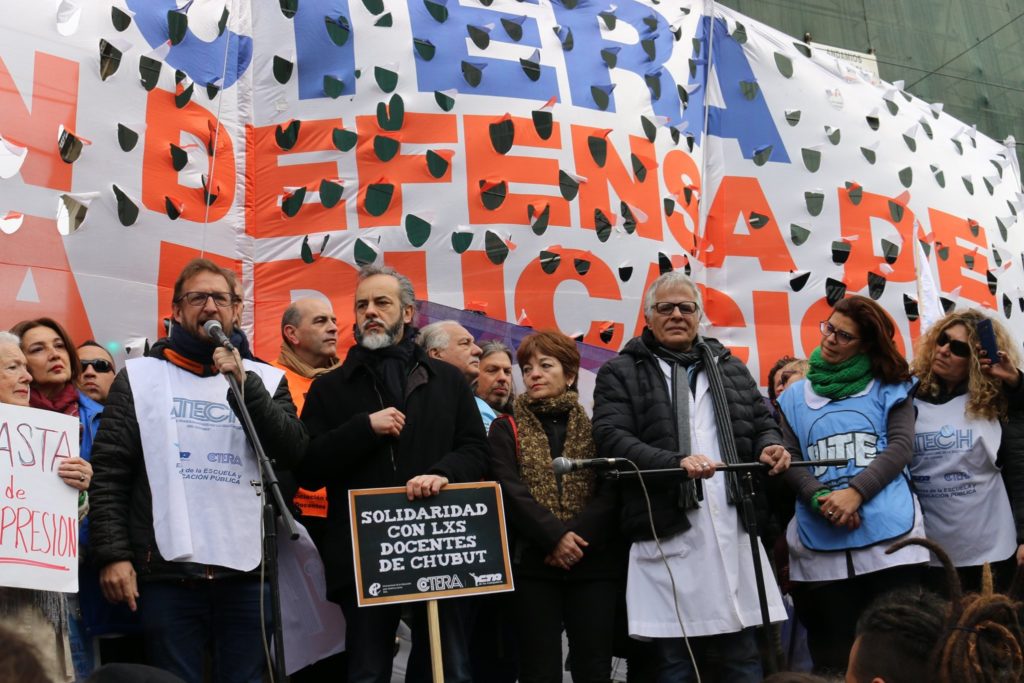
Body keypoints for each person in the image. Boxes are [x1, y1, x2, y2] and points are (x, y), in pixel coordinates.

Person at [88, 258, 307, 683]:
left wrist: (247, 386)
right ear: (175, 311)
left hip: (247, 576)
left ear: (236, 311)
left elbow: (294, 451)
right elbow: (111, 472)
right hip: (168, 573)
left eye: (220, 298)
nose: (209, 306)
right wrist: (113, 555)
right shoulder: (140, 377)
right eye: (197, 297)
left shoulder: (266, 378)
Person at [592, 271, 791, 683]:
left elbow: (761, 421)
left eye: (687, 307)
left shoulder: (729, 367)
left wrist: (770, 446)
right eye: (666, 307)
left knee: (743, 657)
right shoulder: (622, 371)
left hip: (733, 526)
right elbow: (611, 437)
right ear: (648, 317)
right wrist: (673, 462)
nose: (677, 314)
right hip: (668, 531)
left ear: (699, 315)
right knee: (674, 664)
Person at [297, 265, 489, 683]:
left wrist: (443, 473)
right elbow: (308, 467)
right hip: (363, 557)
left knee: (447, 669)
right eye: (362, 304)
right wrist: (363, 429)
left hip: (439, 546)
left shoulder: (448, 381)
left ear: (407, 313)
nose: (370, 312)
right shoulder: (330, 388)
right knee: (367, 670)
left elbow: (477, 450)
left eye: (381, 303)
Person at [777, 295, 929, 673]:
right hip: (821, 543)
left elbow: (900, 447)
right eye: (829, 328)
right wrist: (820, 499)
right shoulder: (794, 395)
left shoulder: (890, 386)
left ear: (865, 345)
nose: (830, 339)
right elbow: (790, 457)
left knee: (897, 657)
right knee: (833, 661)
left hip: (890, 542)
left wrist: (855, 493)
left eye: (844, 336)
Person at [489, 330, 622, 682]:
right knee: (538, 669)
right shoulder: (506, 428)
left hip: (592, 563)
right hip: (533, 563)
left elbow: (610, 490)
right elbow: (508, 488)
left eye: (545, 365)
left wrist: (574, 538)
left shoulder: (596, 428)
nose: (534, 374)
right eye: (528, 367)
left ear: (571, 375)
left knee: (593, 667)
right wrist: (553, 537)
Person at [10, 318, 102, 677]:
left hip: (85, 573)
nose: (53, 354)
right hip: (23, 584)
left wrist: (83, 493)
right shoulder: (10, 424)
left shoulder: (100, 417)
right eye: (36, 349)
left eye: (59, 345)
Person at [908, 309, 1024, 593]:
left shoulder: (998, 403)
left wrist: (1014, 382)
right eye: (942, 340)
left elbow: (1020, 472)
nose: (945, 350)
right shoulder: (907, 397)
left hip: (994, 550)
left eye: (958, 348)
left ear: (975, 360)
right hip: (931, 552)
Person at [269, 297, 344, 683]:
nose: (334, 326)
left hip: (343, 522)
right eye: (321, 321)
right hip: (295, 524)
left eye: (334, 319)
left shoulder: (345, 380)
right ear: (291, 334)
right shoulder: (270, 381)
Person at [476, 340, 514, 416]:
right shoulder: (460, 414)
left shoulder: (524, 420)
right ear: (473, 375)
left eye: (507, 372)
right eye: (492, 370)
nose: (503, 378)